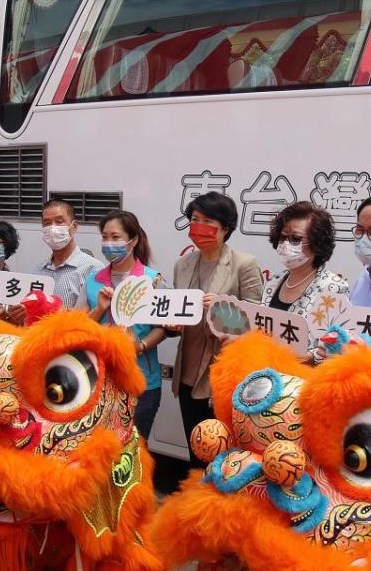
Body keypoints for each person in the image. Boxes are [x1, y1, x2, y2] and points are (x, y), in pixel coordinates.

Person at [173, 192, 263, 459]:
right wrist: (170, 324)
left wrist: (223, 308)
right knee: (195, 447)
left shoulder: (244, 264)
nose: (198, 226)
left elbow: (254, 321)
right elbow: (178, 309)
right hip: (187, 369)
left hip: (221, 373)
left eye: (207, 220)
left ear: (225, 228)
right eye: (194, 219)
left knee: (221, 454)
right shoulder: (183, 263)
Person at [77, 210, 167, 439]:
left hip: (142, 382)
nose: (109, 243)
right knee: (100, 450)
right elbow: (77, 327)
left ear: (133, 239)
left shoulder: (153, 279)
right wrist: (99, 309)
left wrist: (141, 346)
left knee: (134, 452)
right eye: (105, 237)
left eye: (115, 237)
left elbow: (163, 327)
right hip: (98, 380)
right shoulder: (93, 280)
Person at [261, 201, 349, 360]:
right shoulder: (273, 282)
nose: (286, 245)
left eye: (296, 239)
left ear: (317, 243)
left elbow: (337, 344)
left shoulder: (333, 287)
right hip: (266, 372)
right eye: (283, 237)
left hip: (305, 378)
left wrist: (308, 356)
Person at [33, 200, 103, 309]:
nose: (53, 228)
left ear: (74, 226)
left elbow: (98, 313)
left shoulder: (93, 269)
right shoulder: (38, 270)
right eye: (47, 223)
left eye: (59, 221)